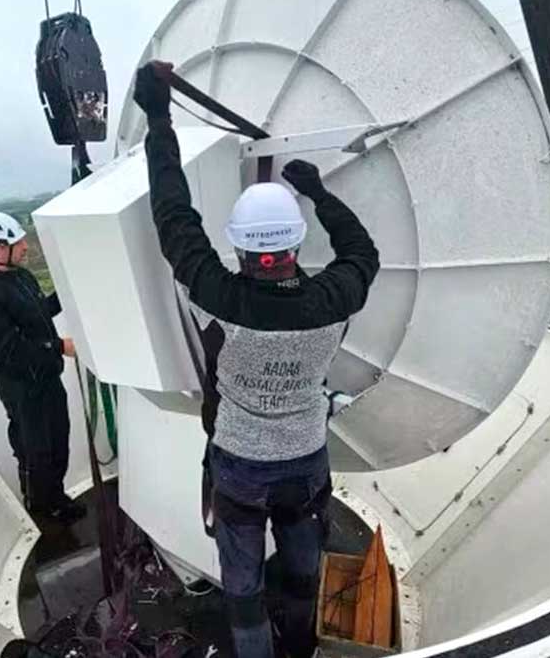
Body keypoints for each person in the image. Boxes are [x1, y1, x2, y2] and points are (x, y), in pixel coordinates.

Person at [133, 61, 380, 658]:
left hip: (240, 465)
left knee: (242, 587)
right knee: (300, 570)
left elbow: (173, 217)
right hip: (305, 461)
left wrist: (157, 117)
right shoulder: (334, 297)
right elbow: (361, 252)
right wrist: (319, 193)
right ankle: (300, 647)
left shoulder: (219, 296)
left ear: (239, 247)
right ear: (295, 244)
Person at [0, 212, 86, 525]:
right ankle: (41, 511)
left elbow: (41, 314)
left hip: (46, 377)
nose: (25, 247)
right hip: (22, 389)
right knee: (35, 451)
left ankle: (56, 498)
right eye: (17, 242)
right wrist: (60, 346)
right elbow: (10, 350)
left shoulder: (21, 278)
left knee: (58, 438)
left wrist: (66, 293)